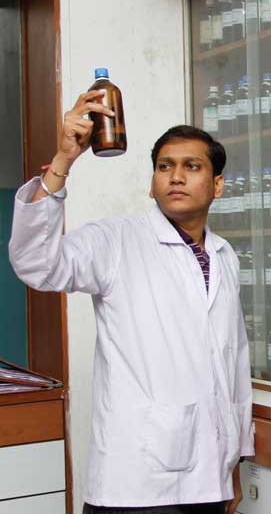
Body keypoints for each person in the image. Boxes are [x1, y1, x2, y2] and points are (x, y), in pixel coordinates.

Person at [9, 91, 254, 513]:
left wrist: (234, 460)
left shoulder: (223, 255)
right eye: (165, 167)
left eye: (192, 166)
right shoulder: (116, 240)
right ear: (151, 183)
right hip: (136, 480)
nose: (176, 177)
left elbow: (233, 361)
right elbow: (36, 264)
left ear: (217, 184)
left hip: (210, 479)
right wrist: (63, 161)